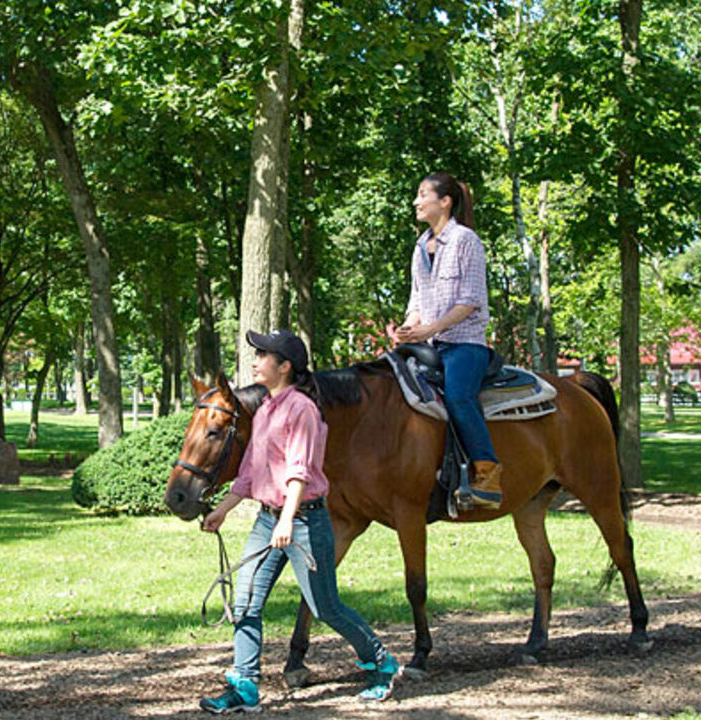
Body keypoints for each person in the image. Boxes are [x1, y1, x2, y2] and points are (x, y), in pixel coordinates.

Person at [198, 329, 398, 713]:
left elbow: (299, 472)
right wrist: (224, 509)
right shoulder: (265, 410)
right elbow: (251, 471)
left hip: (303, 521)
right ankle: (245, 687)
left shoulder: (302, 409)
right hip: (267, 520)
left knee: (325, 607)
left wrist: (287, 521)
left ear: (285, 366)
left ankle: (382, 663)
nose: (255, 362)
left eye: (263, 357)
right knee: (245, 603)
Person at [393, 172, 502, 508]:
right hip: (431, 344)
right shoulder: (419, 247)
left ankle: (487, 474)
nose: (416, 201)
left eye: (423, 194)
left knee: (458, 396)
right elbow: (417, 302)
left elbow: (470, 300)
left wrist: (430, 329)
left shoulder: (466, 241)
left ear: (445, 202)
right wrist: (408, 328)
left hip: (464, 343)